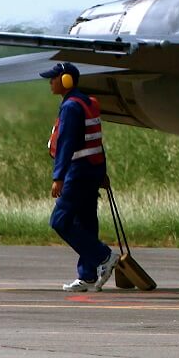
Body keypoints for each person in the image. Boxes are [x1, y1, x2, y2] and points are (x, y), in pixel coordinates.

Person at [42, 62, 118, 292]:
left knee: (60, 221)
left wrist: (59, 177)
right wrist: (102, 172)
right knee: (85, 222)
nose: (50, 82)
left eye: (53, 78)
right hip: (92, 170)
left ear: (66, 80)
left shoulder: (71, 108)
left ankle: (104, 257)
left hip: (78, 172)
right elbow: (97, 140)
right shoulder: (88, 103)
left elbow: (66, 143)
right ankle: (87, 276)